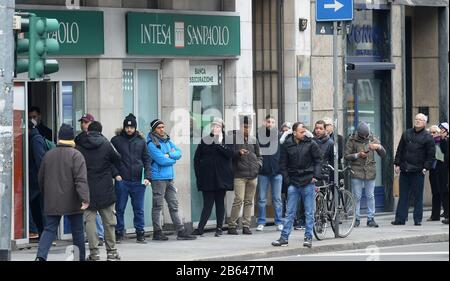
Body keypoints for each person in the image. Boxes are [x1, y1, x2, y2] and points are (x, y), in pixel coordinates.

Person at [35, 124, 89, 261]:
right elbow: (80, 180)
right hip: (73, 200)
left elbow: (40, 178)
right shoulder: (76, 155)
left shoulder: (49, 155)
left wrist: (46, 194)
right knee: (77, 232)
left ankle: (40, 257)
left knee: (49, 229)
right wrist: (85, 198)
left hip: (53, 199)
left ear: (59, 138)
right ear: (72, 139)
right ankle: (79, 258)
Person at [76, 121, 122, 261]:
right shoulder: (106, 143)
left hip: (87, 189)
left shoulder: (80, 144)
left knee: (89, 222)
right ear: (100, 131)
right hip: (105, 188)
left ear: (88, 130)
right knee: (109, 222)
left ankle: (94, 253)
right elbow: (118, 158)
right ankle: (112, 252)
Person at [272, 122, 321, 248]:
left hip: (308, 181)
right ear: (294, 133)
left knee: (309, 212)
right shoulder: (287, 145)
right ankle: (284, 238)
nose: (303, 133)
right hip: (293, 182)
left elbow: (318, 161)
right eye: (301, 131)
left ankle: (308, 238)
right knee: (290, 212)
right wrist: (288, 181)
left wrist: (315, 176)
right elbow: (282, 164)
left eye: (304, 131)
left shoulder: (311, 143)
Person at [147, 119, 197, 241]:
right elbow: (161, 160)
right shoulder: (150, 143)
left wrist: (169, 155)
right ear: (154, 129)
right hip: (158, 178)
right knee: (157, 205)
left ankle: (180, 231)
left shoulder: (167, 140)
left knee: (174, 205)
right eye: (159, 127)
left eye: (163, 127)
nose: (162, 129)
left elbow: (179, 153)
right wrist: (171, 158)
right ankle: (157, 231)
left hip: (169, 177)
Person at [111, 114, 152, 243]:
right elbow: (110, 160)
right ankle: (119, 233)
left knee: (138, 209)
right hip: (122, 180)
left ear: (135, 128)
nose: (129, 129)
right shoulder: (116, 140)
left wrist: (147, 177)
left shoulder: (141, 141)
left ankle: (140, 233)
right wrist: (116, 174)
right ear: (124, 127)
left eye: (131, 127)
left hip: (138, 181)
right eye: (127, 127)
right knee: (120, 208)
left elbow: (147, 160)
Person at [192, 118, 234, 237]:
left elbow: (230, 154)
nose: (215, 128)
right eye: (214, 126)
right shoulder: (205, 140)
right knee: (207, 204)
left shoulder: (227, 140)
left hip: (222, 177)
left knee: (220, 203)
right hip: (207, 178)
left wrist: (219, 143)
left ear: (222, 128)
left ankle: (219, 228)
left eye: (218, 126)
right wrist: (198, 174)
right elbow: (197, 158)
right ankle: (200, 228)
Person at [392, 113, 435, 226]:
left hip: (418, 170)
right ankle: (400, 219)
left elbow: (430, 155)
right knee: (403, 195)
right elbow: (400, 149)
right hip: (405, 169)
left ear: (425, 122)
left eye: (420, 120)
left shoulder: (428, 137)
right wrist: (397, 164)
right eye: (416, 119)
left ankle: (417, 219)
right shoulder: (406, 133)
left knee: (418, 196)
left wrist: (426, 168)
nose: (417, 121)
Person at [344, 121, 386, 227]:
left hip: (370, 171)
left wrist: (378, 147)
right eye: (363, 135)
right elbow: (346, 156)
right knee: (356, 196)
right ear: (359, 133)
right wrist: (358, 155)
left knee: (370, 195)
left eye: (366, 135)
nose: (365, 137)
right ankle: (356, 218)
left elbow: (384, 154)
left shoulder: (372, 138)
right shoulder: (352, 139)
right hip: (356, 171)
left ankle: (370, 218)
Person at [228, 115, 262, 235]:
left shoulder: (253, 140)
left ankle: (246, 226)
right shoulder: (233, 138)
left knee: (249, 201)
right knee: (238, 200)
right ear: (240, 126)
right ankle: (232, 225)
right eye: (244, 126)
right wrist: (238, 153)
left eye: (249, 127)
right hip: (239, 175)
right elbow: (228, 154)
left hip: (253, 175)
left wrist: (258, 165)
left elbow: (259, 155)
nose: (247, 129)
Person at [74, 113, 104, 246]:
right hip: (83, 176)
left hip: (95, 177)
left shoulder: (100, 139)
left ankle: (99, 235)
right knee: (86, 208)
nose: (83, 124)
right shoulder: (79, 138)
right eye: (82, 122)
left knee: (94, 208)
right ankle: (91, 234)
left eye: (85, 122)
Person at [256, 115, 283, 232]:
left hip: (277, 172)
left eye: (272, 122)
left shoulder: (280, 137)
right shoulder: (259, 136)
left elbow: (283, 154)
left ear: (275, 124)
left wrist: (281, 168)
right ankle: (261, 221)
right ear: (264, 123)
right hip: (263, 172)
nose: (270, 124)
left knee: (277, 199)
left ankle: (279, 222)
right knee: (262, 198)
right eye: (268, 122)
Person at [28, 119, 46, 238]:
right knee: (35, 206)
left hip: (35, 178)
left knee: (27, 203)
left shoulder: (35, 140)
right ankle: (39, 230)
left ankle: (34, 230)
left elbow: (41, 160)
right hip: (35, 177)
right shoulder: (35, 138)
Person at [437, 122, 449, 224]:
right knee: (444, 192)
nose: (441, 131)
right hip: (444, 169)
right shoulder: (444, 140)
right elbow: (444, 150)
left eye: (442, 130)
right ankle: (447, 214)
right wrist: (442, 139)